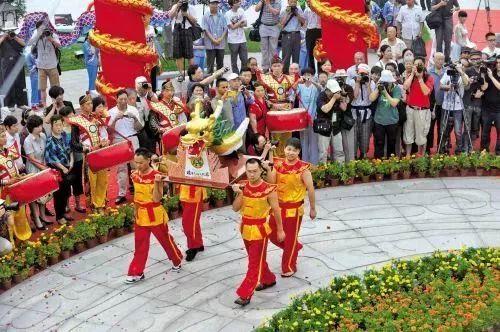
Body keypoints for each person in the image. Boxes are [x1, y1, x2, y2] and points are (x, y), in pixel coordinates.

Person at [231, 158, 285, 306]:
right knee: (256, 260)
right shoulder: (243, 187)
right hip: (245, 228)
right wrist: (239, 194)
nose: (252, 174)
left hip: (259, 231)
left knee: (253, 264)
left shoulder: (269, 189)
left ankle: (245, 294)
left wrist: (280, 230)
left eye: (255, 171)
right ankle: (268, 279)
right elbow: (235, 208)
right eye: (249, 171)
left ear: (261, 170)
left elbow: (276, 210)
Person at [126, 148, 183, 283]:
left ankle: (176, 259)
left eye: (140, 163)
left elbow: (157, 199)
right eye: (136, 162)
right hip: (141, 215)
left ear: (148, 160)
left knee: (165, 240)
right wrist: (135, 212)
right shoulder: (134, 175)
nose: (138, 166)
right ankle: (136, 272)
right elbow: (136, 197)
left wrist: (158, 183)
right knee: (140, 245)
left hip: (155, 214)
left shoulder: (157, 176)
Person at [267, 138, 315, 277]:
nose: (291, 153)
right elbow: (271, 183)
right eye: (289, 149)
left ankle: (289, 267)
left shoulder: (303, 169)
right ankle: (294, 247)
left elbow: (310, 189)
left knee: (289, 239)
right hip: (278, 207)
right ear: (284, 149)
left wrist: (312, 208)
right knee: (271, 233)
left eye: (294, 150)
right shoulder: (278, 165)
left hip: (294, 209)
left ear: (299, 151)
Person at [69, 95, 110, 212]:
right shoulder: (76, 121)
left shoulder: (96, 117)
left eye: (91, 103)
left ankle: (100, 203)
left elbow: (104, 130)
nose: (91, 106)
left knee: (103, 179)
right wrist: (84, 148)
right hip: (89, 154)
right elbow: (73, 143)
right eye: (88, 104)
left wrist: (105, 140)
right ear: (81, 106)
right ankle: (93, 205)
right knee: (91, 181)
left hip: (100, 152)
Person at [256, 56, 300, 156]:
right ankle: (275, 160)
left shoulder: (289, 78)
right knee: (275, 137)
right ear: (271, 67)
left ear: (282, 66)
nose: (276, 68)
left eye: (278, 66)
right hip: (274, 112)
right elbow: (264, 96)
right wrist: (273, 105)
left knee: (288, 135)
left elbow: (294, 92)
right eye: (274, 66)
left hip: (286, 112)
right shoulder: (266, 78)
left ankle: (287, 158)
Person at [108, 90, 142, 205]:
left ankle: (140, 189)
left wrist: (135, 118)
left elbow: (139, 128)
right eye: (120, 99)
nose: (123, 101)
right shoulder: (111, 112)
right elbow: (108, 131)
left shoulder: (133, 110)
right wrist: (115, 119)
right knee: (121, 168)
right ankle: (121, 193)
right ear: (116, 99)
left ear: (127, 99)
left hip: (132, 138)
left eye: (125, 99)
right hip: (118, 139)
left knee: (136, 165)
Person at [0, 125, 30, 244]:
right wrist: (7, 182)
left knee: (20, 213)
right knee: (9, 217)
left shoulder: (8, 151)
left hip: (16, 187)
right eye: (2, 136)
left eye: (4, 136)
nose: (5, 138)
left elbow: (13, 167)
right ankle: (11, 242)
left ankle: (23, 237)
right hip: (4, 191)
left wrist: (18, 176)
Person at [45, 114, 74, 225]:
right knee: (59, 194)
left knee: (66, 192)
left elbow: (69, 149)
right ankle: (59, 216)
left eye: (60, 125)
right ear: (52, 126)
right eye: (56, 125)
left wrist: (71, 161)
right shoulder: (49, 140)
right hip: (57, 170)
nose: (59, 127)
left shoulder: (64, 135)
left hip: (67, 167)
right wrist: (62, 168)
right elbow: (51, 159)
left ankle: (63, 212)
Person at [403, 57, 434, 156]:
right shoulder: (410, 76)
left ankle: (421, 156)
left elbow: (426, 92)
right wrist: (412, 74)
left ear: (424, 66)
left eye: (419, 65)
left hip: (422, 110)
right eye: (415, 65)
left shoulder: (428, 77)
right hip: (410, 109)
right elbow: (405, 87)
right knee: (408, 133)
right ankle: (408, 156)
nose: (417, 67)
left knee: (422, 135)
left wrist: (420, 78)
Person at [23, 115, 49, 231]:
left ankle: (42, 215)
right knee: (34, 195)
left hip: (43, 166)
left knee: (44, 192)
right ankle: (36, 218)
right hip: (33, 169)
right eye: (38, 126)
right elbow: (32, 159)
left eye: (41, 125)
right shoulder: (28, 141)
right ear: (32, 128)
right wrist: (43, 168)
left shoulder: (43, 136)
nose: (41, 127)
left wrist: (45, 166)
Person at [438, 62, 469, 154]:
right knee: (443, 130)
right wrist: (449, 87)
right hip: (446, 106)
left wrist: (461, 72)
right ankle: (442, 149)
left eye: (461, 65)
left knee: (458, 131)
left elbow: (466, 84)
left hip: (458, 107)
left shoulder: (464, 75)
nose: (458, 67)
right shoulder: (448, 73)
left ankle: (459, 149)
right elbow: (440, 86)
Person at [370, 70, 402, 158]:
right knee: (378, 144)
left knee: (391, 144)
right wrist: (377, 89)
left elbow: (394, 103)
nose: (386, 84)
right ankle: (378, 163)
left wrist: (385, 92)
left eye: (387, 82)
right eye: (384, 82)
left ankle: (391, 164)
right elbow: (371, 99)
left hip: (392, 121)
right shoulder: (379, 87)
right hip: (379, 121)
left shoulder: (396, 88)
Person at [59, 106, 85, 213]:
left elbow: (79, 140)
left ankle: (78, 204)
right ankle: (67, 205)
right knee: (67, 182)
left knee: (78, 181)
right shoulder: (60, 130)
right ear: (63, 118)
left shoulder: (75, 127)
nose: (71, 117)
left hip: (78, 156)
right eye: (68, 116)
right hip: (66, 160)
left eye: (72, 115)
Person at [28, 21, 61, 106]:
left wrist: (51, 39)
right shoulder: (37, 36)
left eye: (44, 27)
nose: (43, 30)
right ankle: (45, 106)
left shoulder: (52, 34)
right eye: (40, 28)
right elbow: (29, 43)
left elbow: (59, 45)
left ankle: (56, 105)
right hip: (41, 66)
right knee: (42, 88)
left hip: (52, 65)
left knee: (55, 88)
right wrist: (38, 34)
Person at [346, 63, 374, 160]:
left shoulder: (371, 83)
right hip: (354, 111)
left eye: (364, 74)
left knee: (365, 135)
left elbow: (371, 98)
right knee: (353, 135)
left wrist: (368, 85)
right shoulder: (351, 82)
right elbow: (354, 97)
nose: (362, 76)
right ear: (357, 73)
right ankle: (353, 156)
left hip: (366, 112)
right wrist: (357, 83)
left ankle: (363, 154)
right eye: (360, 74)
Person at [317, 79, 346, 164]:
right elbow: (325, 109)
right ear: (327, 90)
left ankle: (340, 171)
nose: (335, 93)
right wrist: (333, 98)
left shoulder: (338, 95)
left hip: (336, 127)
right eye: (333, 91)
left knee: (339, 151)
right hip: (324, 127)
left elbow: (344, 108)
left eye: (337, 91)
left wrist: (342, 96)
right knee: (323, 153)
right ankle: (322, 173)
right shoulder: (321, 96)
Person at [169, 0, 198, 80]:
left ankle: (192, 74)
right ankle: (181, 74)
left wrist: (187, 15)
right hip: (177, 31)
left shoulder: (191, 7)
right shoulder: (175, 6)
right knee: (178, 55)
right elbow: (170, 17)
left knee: (190, 55)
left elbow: (195, 21)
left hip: (187, 30)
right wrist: (177, 7)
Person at [0, 25, 28, 109]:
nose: (9, 32)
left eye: (11, 30)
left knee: (20, 82)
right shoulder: (2, 37)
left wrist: (15, 37)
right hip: (6, 63)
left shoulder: (16, 37)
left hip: (17, 62)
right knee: (8, 83)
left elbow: (24, 44)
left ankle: (21, 103)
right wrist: (4, 36)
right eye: (8, 31)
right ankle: (9, 104)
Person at [297, 68, 320, 164]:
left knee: (314, 142)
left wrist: (313, 82)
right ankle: (304, 163)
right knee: (304, 141)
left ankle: (314, 164)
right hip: (302, 119)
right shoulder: (300, 86)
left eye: (309, 74)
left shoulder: (315, 87)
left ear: (312, 76)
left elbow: (321, 89)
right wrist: (298, 81)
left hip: (313, 118)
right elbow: (292, 92)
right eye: (305, 74)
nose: (307, 76)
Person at [179, 184, 207, 261]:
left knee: (188, 223)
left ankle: (193, 246)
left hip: (195, 192)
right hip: (185, 191)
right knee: (193, 222)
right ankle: (198, 244)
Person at [479, 57, 500, 154]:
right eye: (497, 62)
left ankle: (498, 153)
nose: (498, 64)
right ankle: (484, 151)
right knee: (485, 133)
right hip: (487, 109)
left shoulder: (492, 75)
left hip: (499, 110)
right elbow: (484, 87)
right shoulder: (490, 72)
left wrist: (491, 77)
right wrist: (483, 75)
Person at [255, 0, 282, 72]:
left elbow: (275, 13)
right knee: (264, 49)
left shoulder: (278, 2)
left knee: (273, 49)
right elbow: (256, 9)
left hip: (274, 26)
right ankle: (265, 68)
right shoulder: (263, 1)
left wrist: (268, 4)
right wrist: (261, 2)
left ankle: (273, 67)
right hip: (264, 26)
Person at [463, 51, 484, 142]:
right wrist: (468, 82)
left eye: (478, 59)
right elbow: (464, 87)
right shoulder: (467, 71)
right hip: (468, 103)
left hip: (479, 104)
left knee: (475, 128)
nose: (476, 61)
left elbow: (488, 86)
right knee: (467, 127)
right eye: (473, 59)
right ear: (470, 61)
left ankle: (471, 147)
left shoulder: (485, 70)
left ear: (481, 59)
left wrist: (482, 92)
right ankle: (465, 148)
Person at [427, 52, 446, 153]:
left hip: (444, 104)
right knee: (430, 128)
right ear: (433, 60)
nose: (440, 61)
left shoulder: (447, 72)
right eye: (438, 59)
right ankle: (428, 148)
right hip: (432, 105)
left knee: (442, 128)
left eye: (442, 59)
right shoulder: (428, 72)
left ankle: (441, 147)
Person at [279, 0, 305, 73]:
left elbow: (303, 21)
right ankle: (285, 73)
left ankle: (295, 74)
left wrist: (296, 13)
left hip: (297, 34)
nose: (293, 3)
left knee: (296, 55)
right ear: (288, 2)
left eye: (294, 2)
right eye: (291, 2)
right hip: (287, 34)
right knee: (286, 56)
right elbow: (281, 24)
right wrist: (287, 13)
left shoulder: (299, 10)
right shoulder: (284, 10)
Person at [203, 0, 228, 75]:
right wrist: (213, 40)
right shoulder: (206, 16)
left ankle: (219, 83)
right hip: (210, 44)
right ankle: (209, 85)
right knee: (210, 66)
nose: (214, 5)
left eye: (216, 3)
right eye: (212, 3)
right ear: (209, 4)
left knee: (220, 65)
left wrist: (220, 38)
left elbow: (225, 28)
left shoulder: (222, 15)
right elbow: (205, 29)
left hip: (220, 44)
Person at [226, 0, 248, 74]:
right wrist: (240, 22)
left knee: (244, 59)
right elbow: (232, 27)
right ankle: (236, 75)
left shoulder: (241, 11)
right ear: (233, 4)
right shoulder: (227, 14)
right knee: (234, 60)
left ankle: (243, 74)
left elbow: (245, 23)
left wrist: (237, 24)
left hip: (242, 39)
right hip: (232, 40)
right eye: (237, 2)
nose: (239, 3)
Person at [304, 0, 321, 74]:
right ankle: (311, 71)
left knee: (320, 52)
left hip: (319, 31)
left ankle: (321, 71)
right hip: (310, 31)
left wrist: (315, 9)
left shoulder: (320, 9)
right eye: (307, 2)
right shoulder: (306, 10)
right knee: (310, 52)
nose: (309, 3)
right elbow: (305, 22)